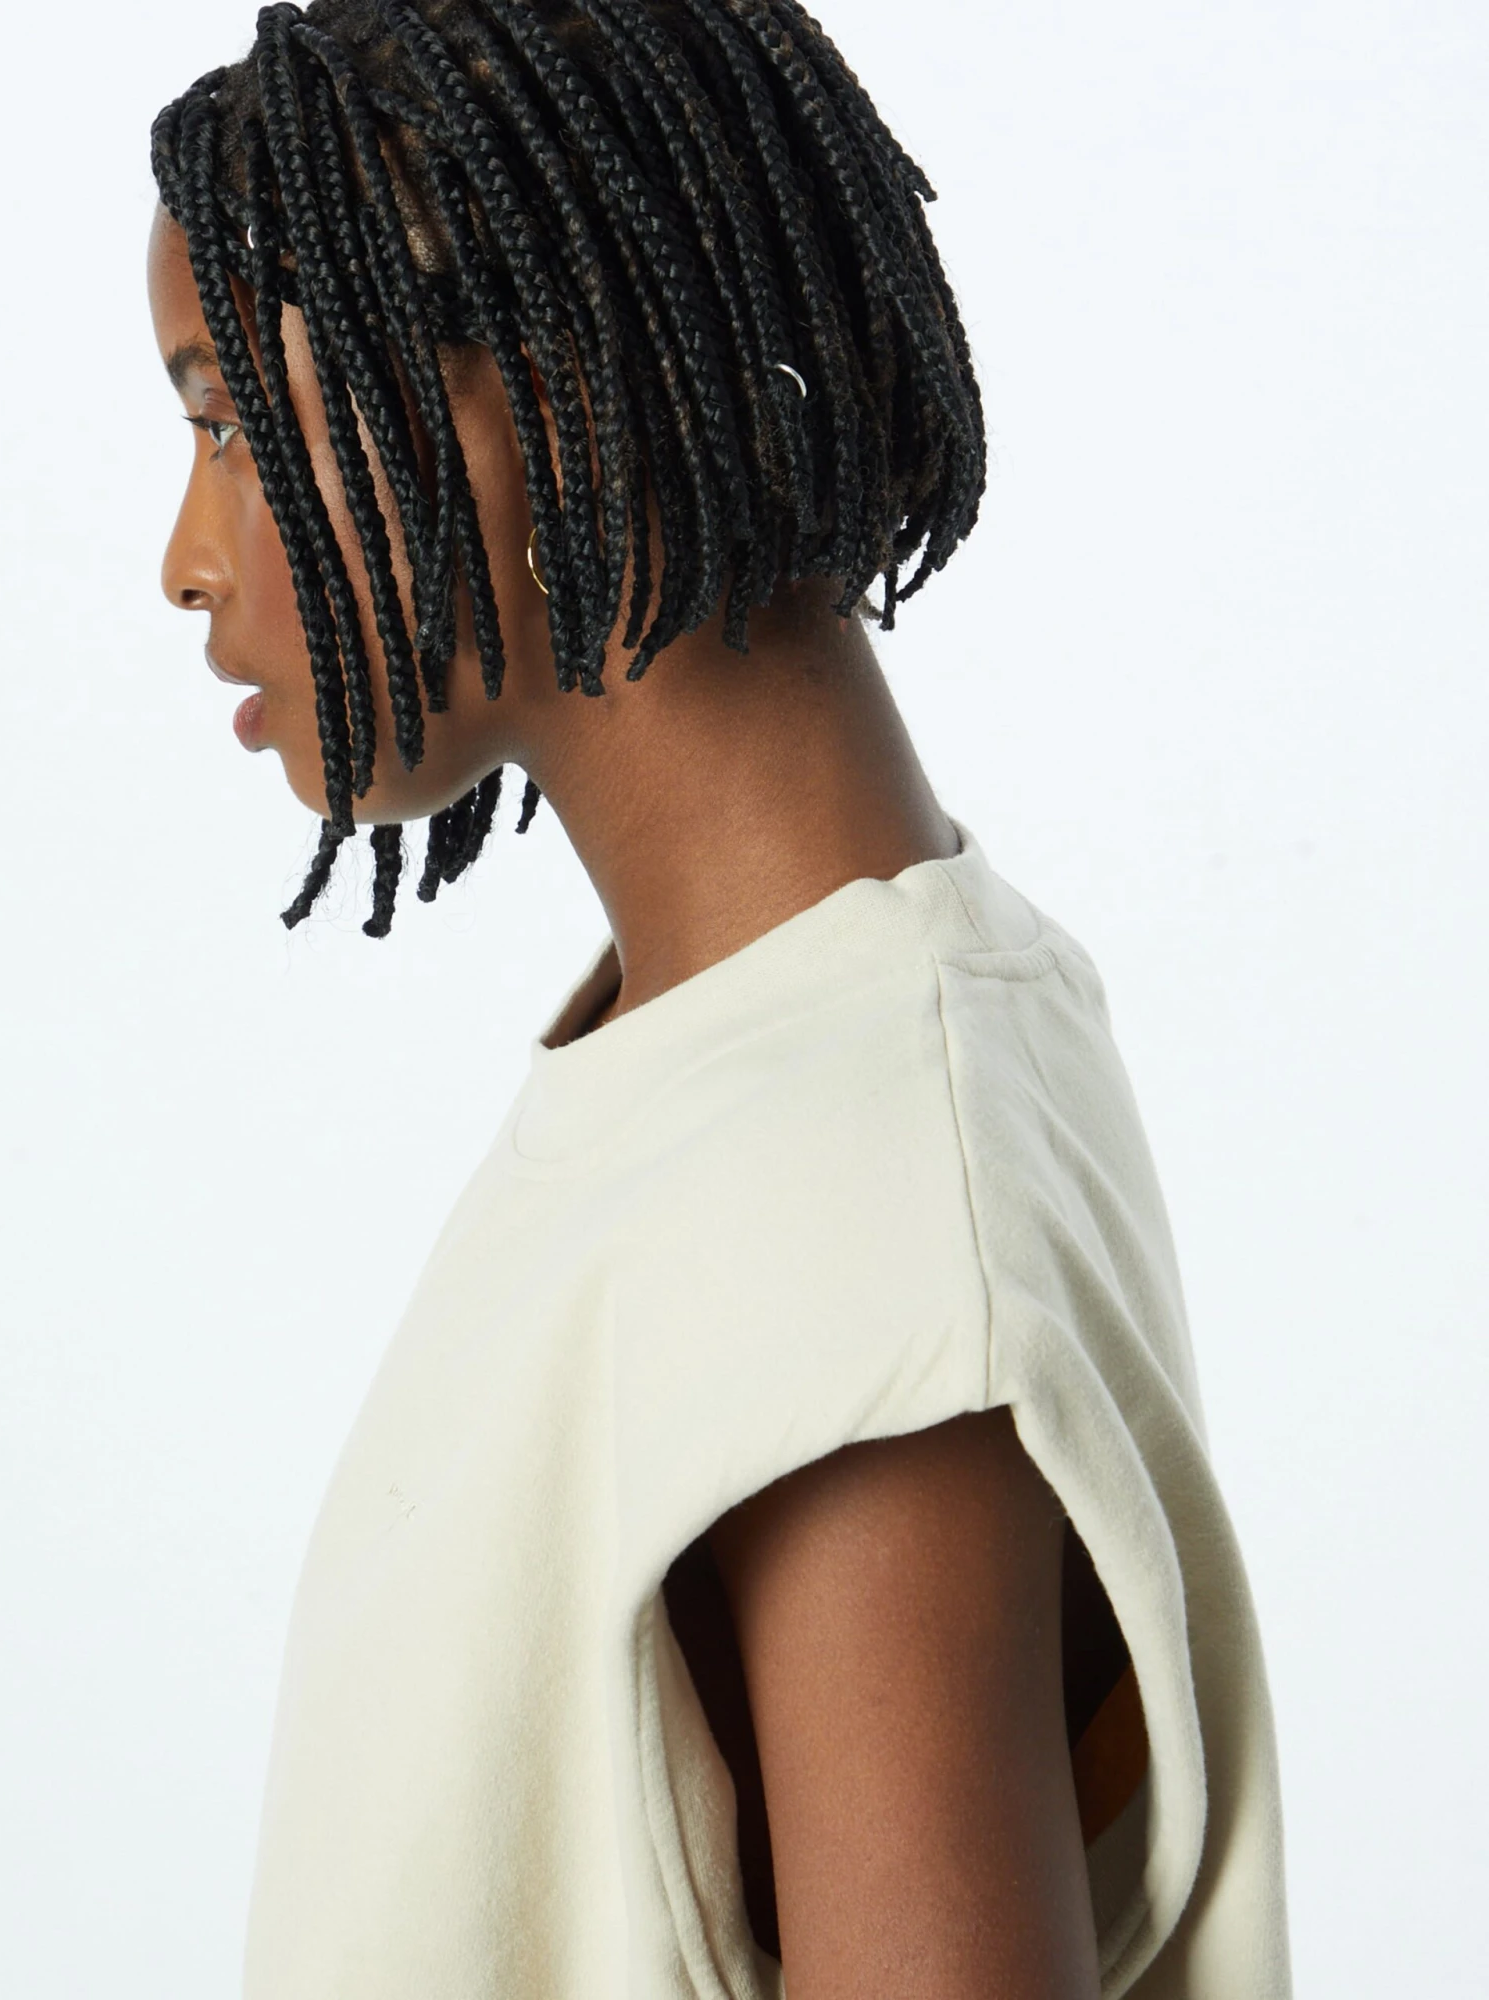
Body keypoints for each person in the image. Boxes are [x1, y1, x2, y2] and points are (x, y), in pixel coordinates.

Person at [147, 3, 1290, 1994]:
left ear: (554, 392)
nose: (186, 557)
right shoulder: (784, 1066)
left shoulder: (851, 1226)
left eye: (235, 420)